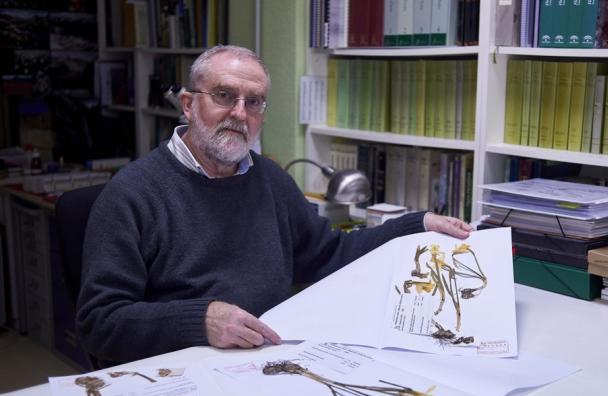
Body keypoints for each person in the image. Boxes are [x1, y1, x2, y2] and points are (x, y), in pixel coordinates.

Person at [76, 45, 473, 367]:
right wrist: (200, 320)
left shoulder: (270, 180)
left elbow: (329, 255)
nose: (239, 114)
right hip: (179, 375)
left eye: (255, 103)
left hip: (269, 364)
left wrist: (415, 225)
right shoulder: (131, 195)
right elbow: (99, 322)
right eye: (224, 96)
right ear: (187, 104)